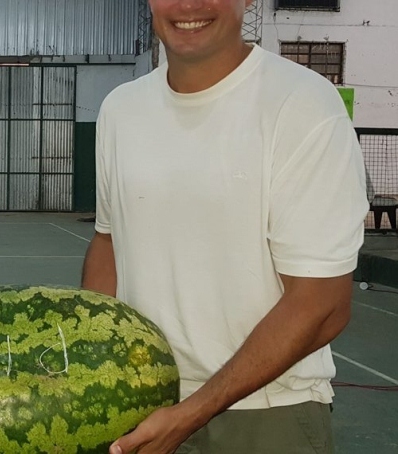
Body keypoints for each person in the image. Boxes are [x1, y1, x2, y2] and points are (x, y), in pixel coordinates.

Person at [82, 0, 369, 453]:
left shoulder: (303, 105)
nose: (188, 5)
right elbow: (108, 243)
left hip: (267, 414)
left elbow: (323, 304)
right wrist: (89, 368)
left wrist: (192, 411)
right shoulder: (121, 109)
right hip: (138, 405)